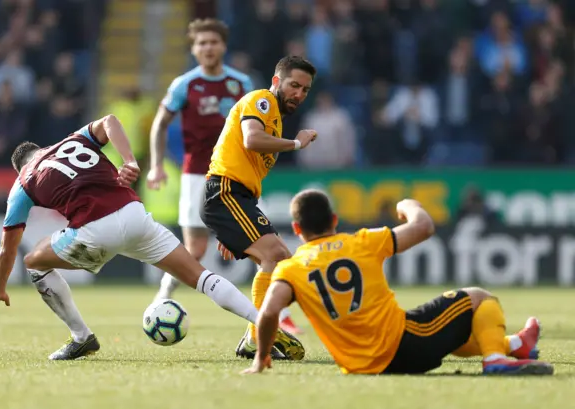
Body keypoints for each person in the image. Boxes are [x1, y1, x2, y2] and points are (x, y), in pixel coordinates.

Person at [0, 114, 303, 362]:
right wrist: (130, 160)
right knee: (200, 276)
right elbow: (109, 121)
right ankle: (263, 323)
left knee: (33, 261)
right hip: (135, 214)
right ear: (41, 149)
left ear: (18, 167)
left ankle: (81, 337)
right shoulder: (72, 141)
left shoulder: (22, 183)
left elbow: (7, 247)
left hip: (95, 232)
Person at [242, 189, 554, 376]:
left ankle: (514, 344)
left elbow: (268, 313)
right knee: (479, 298)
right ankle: (495, 359)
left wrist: (262, 357)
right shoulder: (361, 242)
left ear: (297, 228)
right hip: (402, 346)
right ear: (334, 220)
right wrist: (408, 205)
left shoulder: (291, 269)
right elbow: (424, 227)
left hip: (358, 365)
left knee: (453, 331)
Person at [146, 19, 303, 335]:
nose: (208, 48)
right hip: (196, 174)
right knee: (195, 251)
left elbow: (264, 123)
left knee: (264, 252)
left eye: (213, 42)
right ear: (194, 49)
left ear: (223, 47)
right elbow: (160, 122)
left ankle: (273, 315)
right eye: (201, 43)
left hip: (234, 176)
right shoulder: (184, 85)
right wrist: (156, 165)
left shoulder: (242, 84)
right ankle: (164, 296)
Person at [201, 55, 318, 360]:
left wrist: (230, 229)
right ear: (277, 81)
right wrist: (297, 144)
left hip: (236, 199)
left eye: (305, 90)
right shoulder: (262, 100)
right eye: (294, 85)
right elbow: (251, 140)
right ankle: (257, 335)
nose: (299, 94)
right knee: (277, 255)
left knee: (279, 260)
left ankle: (255, 336)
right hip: (225, 191)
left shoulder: (275, 121)